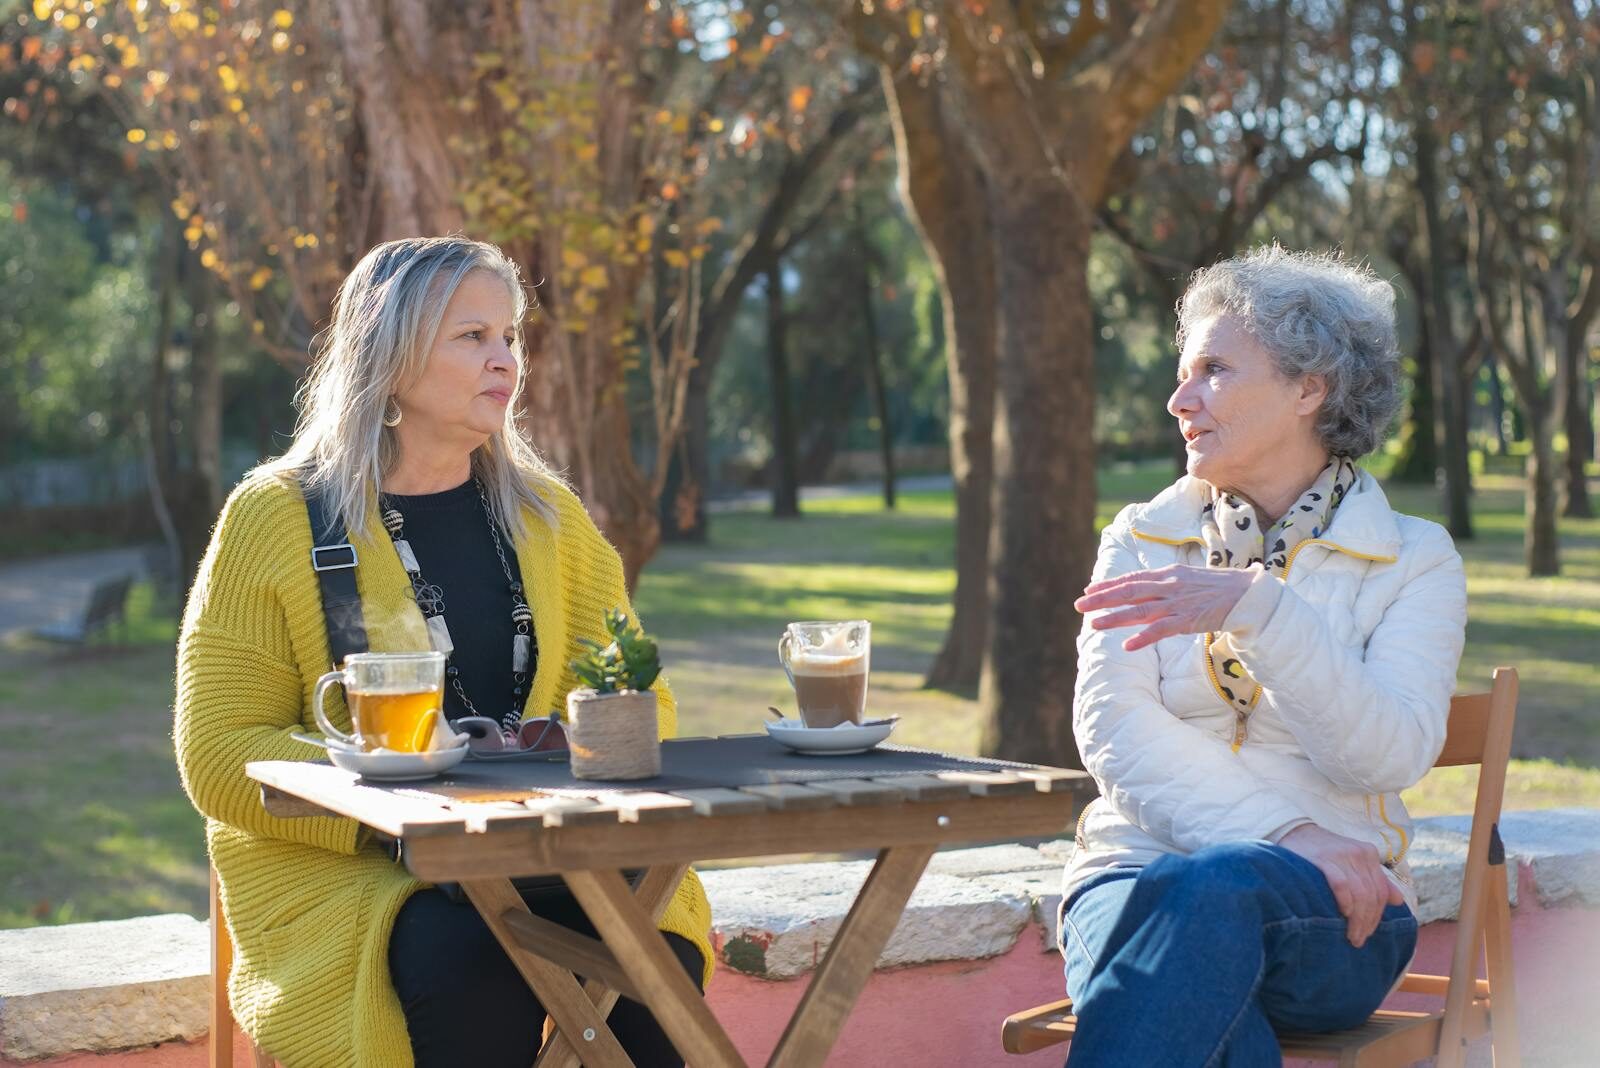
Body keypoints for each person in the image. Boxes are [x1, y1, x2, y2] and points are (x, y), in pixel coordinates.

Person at [174, 236, 712, 1067]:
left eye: (511, 338)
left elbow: (645, 700)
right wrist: (390, 796)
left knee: (654, 966)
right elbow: (218, 752)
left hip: (559, 857)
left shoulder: (550, 521)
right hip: (363, 875)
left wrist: (576, 741)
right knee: (470, 963)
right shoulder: (276, 517)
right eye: (473, 337)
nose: (506, 361)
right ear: (387, 357)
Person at [1059, 246, 1466, 1066]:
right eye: (1184, 373)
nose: (1179, 400)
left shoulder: (1416, 559)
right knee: (1198, 974)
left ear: (1309, 388)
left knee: (1203, 904)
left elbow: (1388, 753)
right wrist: (1288, 831)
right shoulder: (1140, 538)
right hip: (1129, 879)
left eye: (1212, 369)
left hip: (1334, 911)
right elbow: (1114, 731)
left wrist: (1264, 612)